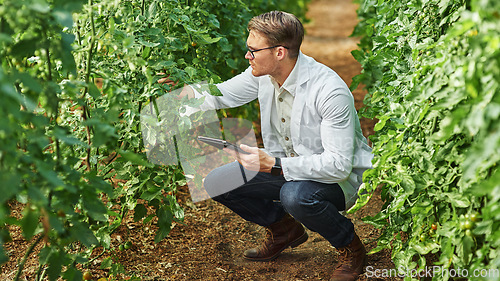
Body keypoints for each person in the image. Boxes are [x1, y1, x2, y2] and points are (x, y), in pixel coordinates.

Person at [180, 11, 373, 281]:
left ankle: (350, 247)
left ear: (279, 52)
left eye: (252, 50)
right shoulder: (262, 75)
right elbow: (220, 95)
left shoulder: (329, 91)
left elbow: (339, 167)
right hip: (285, 169)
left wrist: (274, 163)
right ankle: (284, 230)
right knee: (217, 182)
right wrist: (184, 91)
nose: (247, 56)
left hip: (337, 181)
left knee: (295, 196)